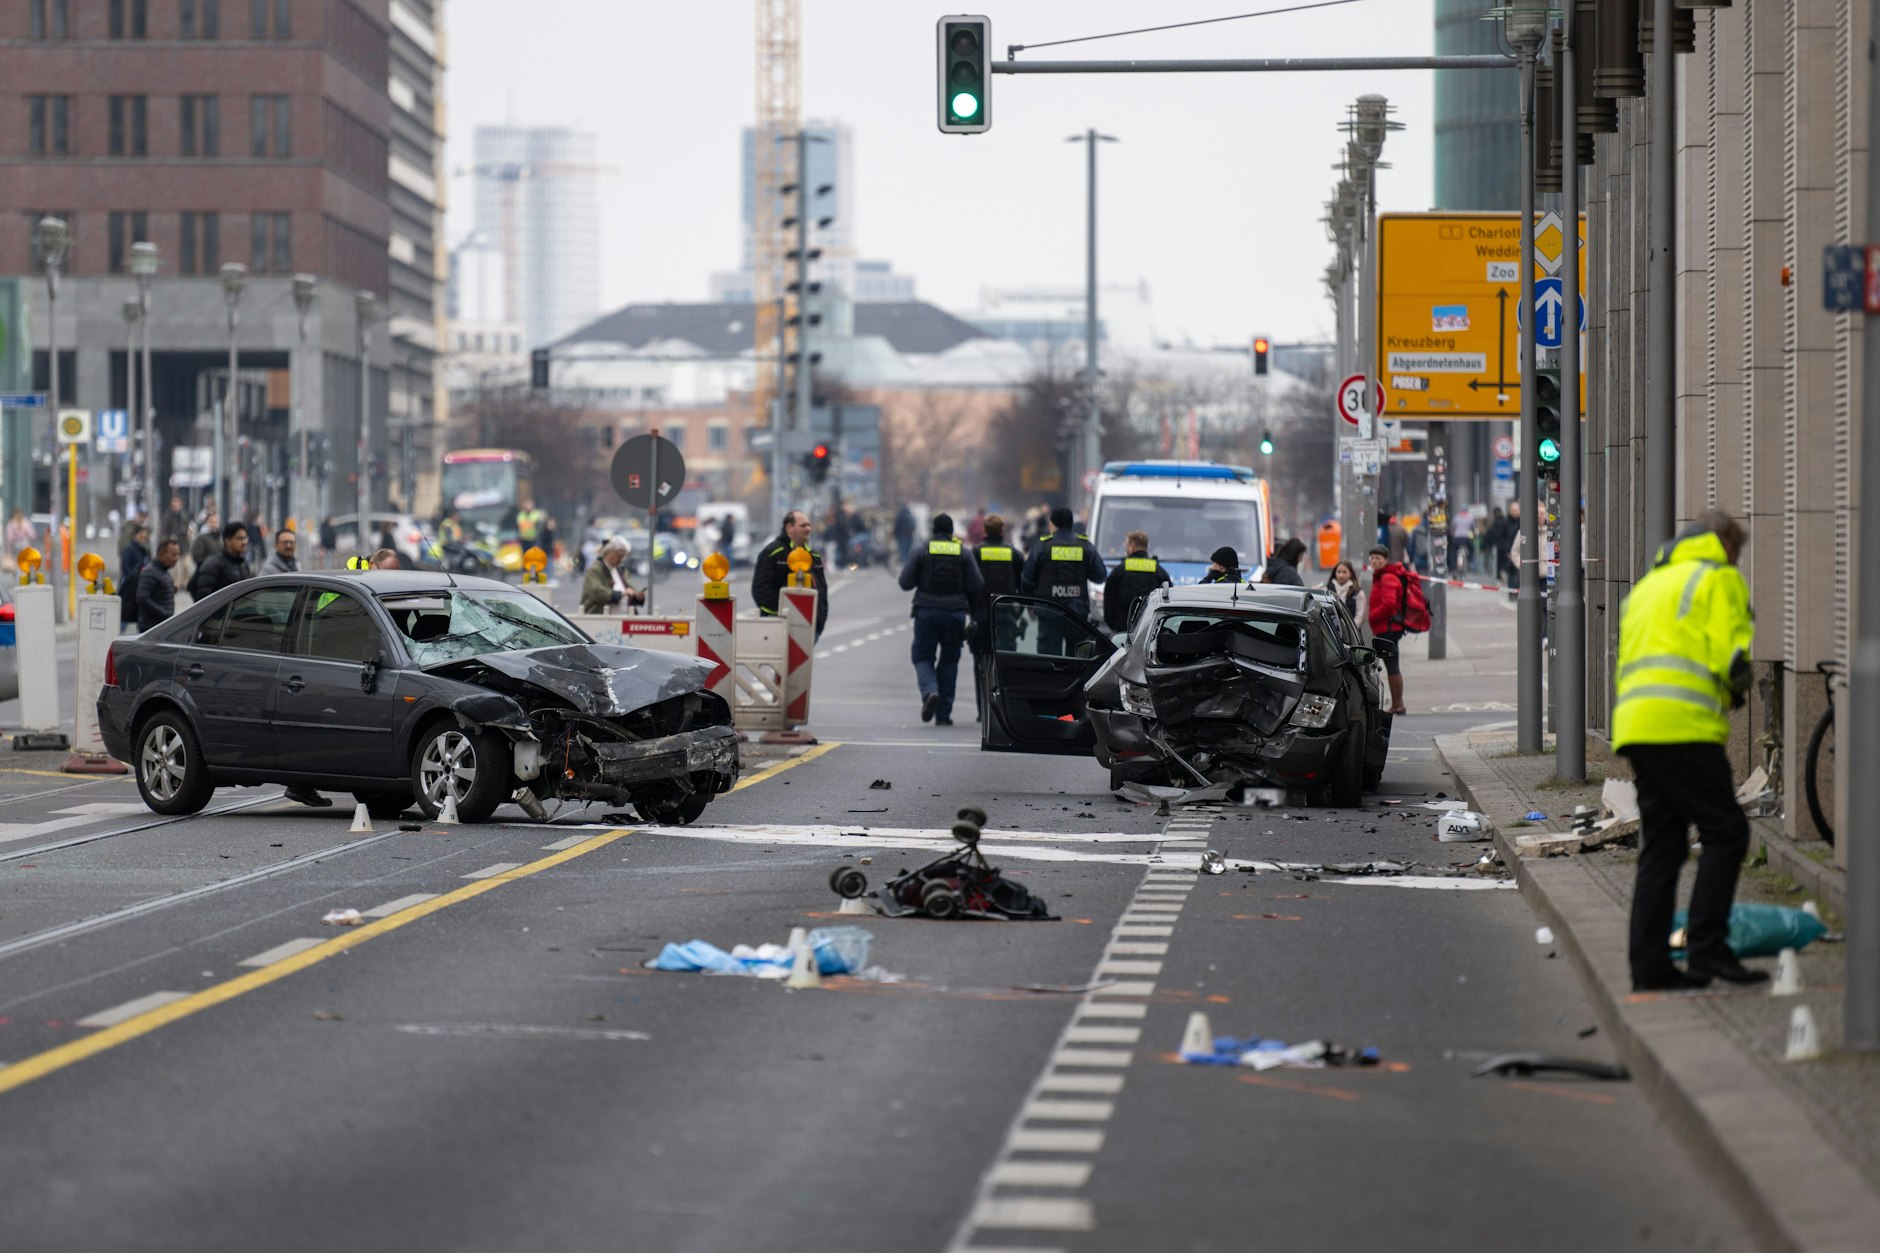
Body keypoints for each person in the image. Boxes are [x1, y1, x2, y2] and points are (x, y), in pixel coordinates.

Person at [1615, 511, 1762, 992]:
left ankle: (1650, 966)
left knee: (1663, 845)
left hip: (1638, 727)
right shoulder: (1718, 578)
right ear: (1723, 544)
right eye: (1737, 552)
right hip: (1685, 727)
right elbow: (1733, 657)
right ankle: (1708, 951)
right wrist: (1738, 689)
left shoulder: (1650, 585)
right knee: (1727, 831)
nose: (1737, 561)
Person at [899, 512, 982, 727]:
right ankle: (943, 715)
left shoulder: (921, 551)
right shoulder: (963, 553)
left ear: (933, 530)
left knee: (922, 656)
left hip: (926, 612)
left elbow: (905, 583)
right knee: (949, 662)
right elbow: (977, 585)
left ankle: (929, 691)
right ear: (952, 531)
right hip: (955, 614)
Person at [970, 513, 1022, 721]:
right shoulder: (1014, 554)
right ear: (1002, 530)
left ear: (984, 530)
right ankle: (1004, 708)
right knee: (1006, 663)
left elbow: (970, 583)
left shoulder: (975, 553)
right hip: (1007, 614)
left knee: (981, 663)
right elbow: (1023, 583)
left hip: (982, 613)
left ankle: (982, 710)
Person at [1019, 506, 1106, 623]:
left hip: (1048, 611)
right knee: (1079, 642)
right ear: (1071, 523)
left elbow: (1027, 580)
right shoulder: (1085, 547)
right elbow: (1100, 576)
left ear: (1052, 524)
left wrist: (1029, 605)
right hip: (1077, 613)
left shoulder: (1041, 547)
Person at [752, 509, 829, 638]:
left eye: (809, 525)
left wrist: (820, 622)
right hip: (778, 627)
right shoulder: (773, 553)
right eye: (803, 525)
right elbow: (761, 589)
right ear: (789, 528)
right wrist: (781, 614)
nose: (808, 529)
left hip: (810, 628)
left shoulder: (813, 556)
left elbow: (822, 590)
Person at [1366, 546, 1413, 715]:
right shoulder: (1381, 576)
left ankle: (1398, 704)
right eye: (1372, 558)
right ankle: (1397, 703)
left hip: (1388, 628)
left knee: (1392, 665)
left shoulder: (1387, 577)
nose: (1374, 561)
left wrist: (1372, 617)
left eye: (1378, 558)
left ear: (1386, 560)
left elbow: (1388, 604)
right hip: (1388, 627)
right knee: (1391, 664)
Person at [1102, 530, 1172, 633]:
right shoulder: (1159, 571)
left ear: (1132, 546)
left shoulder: (1120, 570)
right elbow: (1168, 598)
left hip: (1123, 628)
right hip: (1149, 628)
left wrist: (1114, 625)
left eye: (1126, 545)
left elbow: (1109, 600)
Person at [581, 537, 646, 614]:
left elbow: (629, 589)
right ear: (609, 552)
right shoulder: (594, 570)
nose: (621, 560)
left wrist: (636, 596)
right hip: (600, 619)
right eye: (619, 556)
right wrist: (621, 594)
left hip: (623, 620)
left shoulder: (622, 570)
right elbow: (596, 593)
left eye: (623, 557)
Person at [188, 522, 251, 599]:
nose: (244, 542)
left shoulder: (243, 564)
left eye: (245, 538)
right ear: (227, 541)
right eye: (239, 538)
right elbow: (204, 599)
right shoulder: (214, 565)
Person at [135, 539, 180, 632]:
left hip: (160, 625)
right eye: (173, 554)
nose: (176, 558)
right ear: (162, 554)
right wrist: (165, 613)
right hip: (151, 627)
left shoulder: (163, 571)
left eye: (177, 554)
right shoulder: (150, 572)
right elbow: (142, 598)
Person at [118, 523, 151, 630]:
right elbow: (125, 569)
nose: (143, 537)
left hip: (140, 585)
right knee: (124, 612)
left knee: (139, 613)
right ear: (135, 535)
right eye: (141, 534)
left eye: (145, 535)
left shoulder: (144, 550)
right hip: (129, 586)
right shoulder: (128, 549)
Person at [1325, 559, 1367, 641]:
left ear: (1350, 573)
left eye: (1344, 572)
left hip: (1352, 634)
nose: (1341, 575)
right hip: (1331, 633)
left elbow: (1360, 615)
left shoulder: (1357, 592)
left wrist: (1351, 630)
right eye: (1339, 572)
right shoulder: (1328, 589)